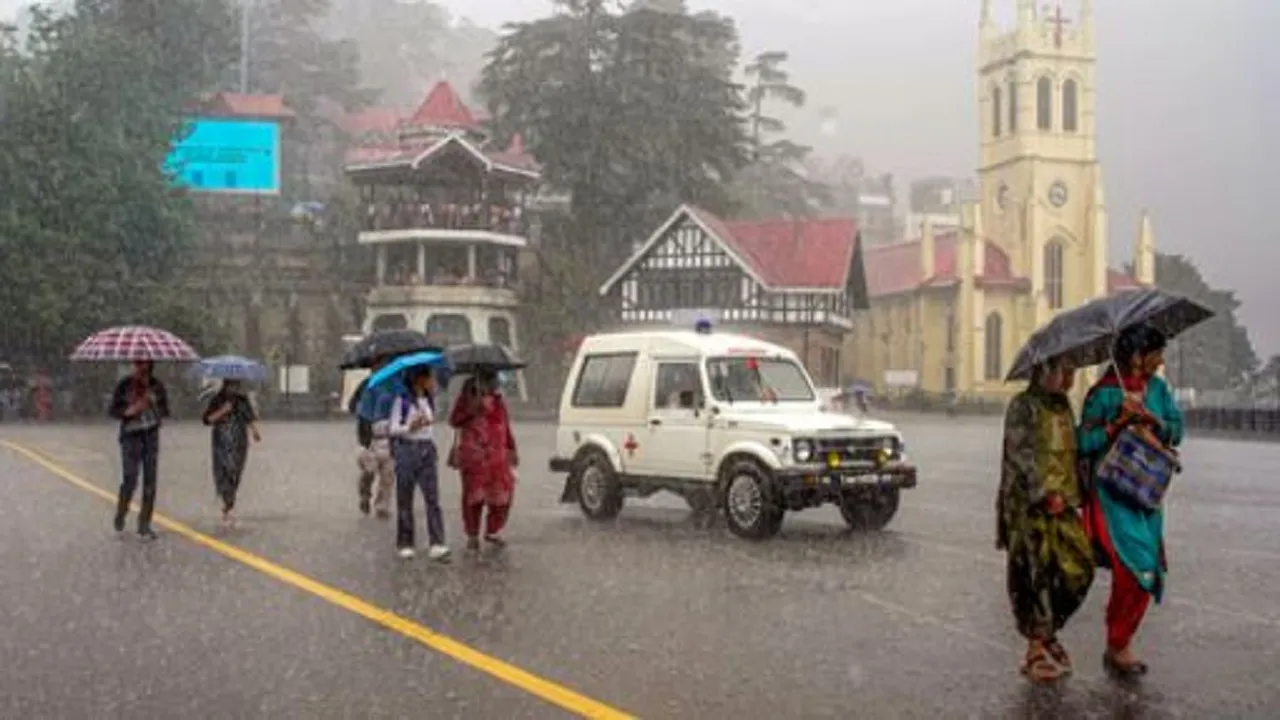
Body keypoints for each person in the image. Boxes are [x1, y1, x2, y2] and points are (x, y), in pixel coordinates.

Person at [1078, 323, 1184, 678]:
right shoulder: (1104, 394)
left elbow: (1177, 428)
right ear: (1137, 355)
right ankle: (1119, 642)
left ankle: (1119, 642)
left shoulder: (1157, 389)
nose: (1160, 361)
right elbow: (1084, 443)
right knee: (1133, 567)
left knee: (1148, 570)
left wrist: (1153, 421)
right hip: (1111, 495)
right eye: (1156, 353)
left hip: (1146, 495)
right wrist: (1118, 423)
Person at [996, 356, 1094, 683]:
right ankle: (1035, 649)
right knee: (1036, 573)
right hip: (1029, 507)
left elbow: (1070, 450)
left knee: (1079, 567)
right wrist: (1042, 492)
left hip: (1063, 503)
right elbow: (1020, 455)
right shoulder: (1024, 406)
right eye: (1064, 372)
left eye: (1072, 372)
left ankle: (1048, 630)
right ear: (1044, 371)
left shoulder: (1062, 405)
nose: (1069, 380)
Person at [449, 369, 518, 551]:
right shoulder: (467, 399)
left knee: (503, 494)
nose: (496, 384)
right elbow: (454, 420)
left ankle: (493, 530)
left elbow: (505, 426)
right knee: (474, 498)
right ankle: (472, 534)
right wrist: (472, 410)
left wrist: (512, 448)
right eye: (493, 381)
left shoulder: (498, 401)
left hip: (497, 458)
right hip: (474, 457)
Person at [388, 366, 450, 561]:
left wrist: (425, 424)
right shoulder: (402, 402)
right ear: (418, 380)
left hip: (426, 450)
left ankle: (437, 542)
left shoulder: (428, 401)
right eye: (429, 378)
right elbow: (393, 428)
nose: (433, 382)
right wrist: (410, 426)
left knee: (433, 498)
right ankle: (405, 543)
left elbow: (430, 427)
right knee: (405, 498)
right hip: (407, 450)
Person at [107, 360, 170, 540]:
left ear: (147, 367)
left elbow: (165, 411)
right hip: (130, 436)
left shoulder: (156, 386)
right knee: (130, 477)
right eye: (134, 364)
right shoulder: (125, 385)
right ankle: (122, 510)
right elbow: (114, 411)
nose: (135, 368)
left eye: (140, 364)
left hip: (150, 436)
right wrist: (131, 410)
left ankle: (144, 524)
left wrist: (154, 403)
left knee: (150, 481)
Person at [202, 379, 262, 529]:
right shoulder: (217, 400)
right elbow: (207, 420)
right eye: (231, 385)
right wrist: (222, 411)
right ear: (225, 385)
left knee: (235, 471)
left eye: (236, 385)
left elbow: (249, 417)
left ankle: (229, 502)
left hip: (238, 441)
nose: (233, 388)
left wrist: (254, 431)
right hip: (221, 441)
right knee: (224, 471)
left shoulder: (242, 400)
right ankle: (228, 505)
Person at [351, 357, 395, 518]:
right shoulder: (366, 385)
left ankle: (382, 506)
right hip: (370, 437)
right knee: (369, 470)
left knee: (388, 474)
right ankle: (365, 493)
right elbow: (353, 405)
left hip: (390, 435)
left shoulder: (395, 386)